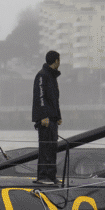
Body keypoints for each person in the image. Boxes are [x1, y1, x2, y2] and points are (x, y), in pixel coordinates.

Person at [31, 50, 62, 185]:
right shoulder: (42, 75)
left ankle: (51, 176)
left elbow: (55, 99)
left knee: (52, 148)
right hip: (45, 119)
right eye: (59, 60)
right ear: (56, 60)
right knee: (45, 148)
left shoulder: (52, 76)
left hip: (53, 118)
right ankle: (43, 176)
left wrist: (58, 115)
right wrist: (43, 116)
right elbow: (41, 96)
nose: (60, 62)